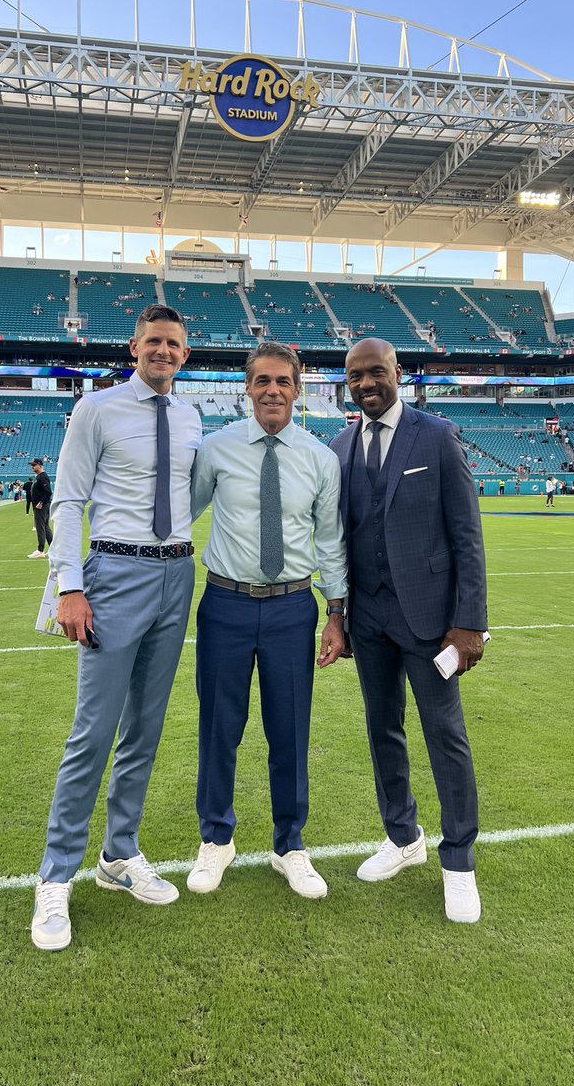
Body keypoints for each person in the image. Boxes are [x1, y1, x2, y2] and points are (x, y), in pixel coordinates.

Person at [32, 304, 202, 952]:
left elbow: (190, 495)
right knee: (93, 731)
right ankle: (55, 875)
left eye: (174, 344)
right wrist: (70, 586)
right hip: (113, 575)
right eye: (153, 341)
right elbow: (69, 499)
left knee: (145, 730)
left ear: (185, 355)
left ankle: (118, 855)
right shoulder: (96, 409)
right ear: (134, 347)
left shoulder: (190, 417)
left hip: (174, 577)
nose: (163, 351)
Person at [329, 339, 488, 924]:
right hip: (368, 619)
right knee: (383, 729)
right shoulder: (340, 445)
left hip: (429, 618)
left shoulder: (436, 435)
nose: (367, 383)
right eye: (355, 376)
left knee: (445, 735)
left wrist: (469, 623)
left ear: (397, 373)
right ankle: (402, 836)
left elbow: (467, 535)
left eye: (376, 372)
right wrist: (339, 616)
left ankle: (460, 860)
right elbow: (339, 539)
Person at [187, 342, 347, 901]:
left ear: (298, 389)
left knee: (290, 728)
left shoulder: (320, 457)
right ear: (246, 388)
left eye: (283, 381)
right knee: (218, 726)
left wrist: (336, 612)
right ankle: (216, 838)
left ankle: (290, 844)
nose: (273, 390)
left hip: (291, 607)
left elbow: (329, 540)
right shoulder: (216, 449)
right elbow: (181, 515)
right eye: (262, 381)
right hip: (226, 604)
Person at [27, 459, 53, 559]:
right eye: (32, 465)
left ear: (40, 465)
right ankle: (53, 549)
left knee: (40, 527)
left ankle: (40, 550)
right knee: (45, 527)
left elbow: (48, 492)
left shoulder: (43, 477)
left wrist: (41, 502)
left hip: (41, 506)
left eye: (34, 465)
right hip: (41, 505)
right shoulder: (39, 477)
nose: (32, 467)